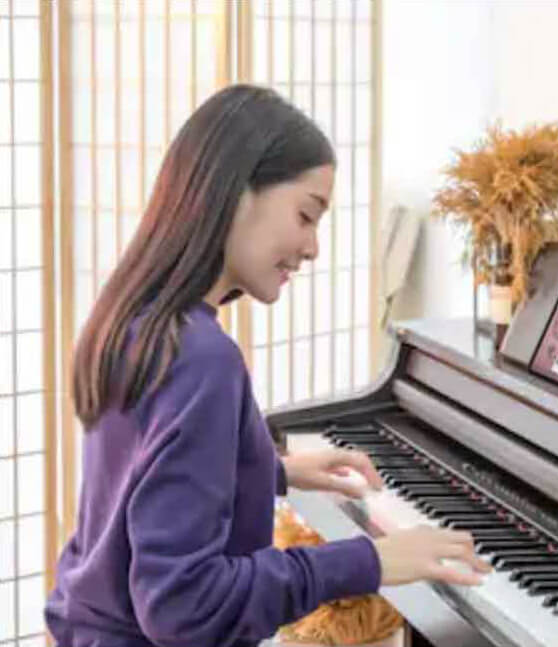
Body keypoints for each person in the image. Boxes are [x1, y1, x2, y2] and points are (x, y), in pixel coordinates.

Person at [45, 84, 491, 647]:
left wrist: (268, 470)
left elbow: (147, 481)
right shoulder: (202, 359)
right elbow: (185, 607)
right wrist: (371, 561)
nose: (312, 248)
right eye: (307, 215)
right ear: (236, 193)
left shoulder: (135, 316)